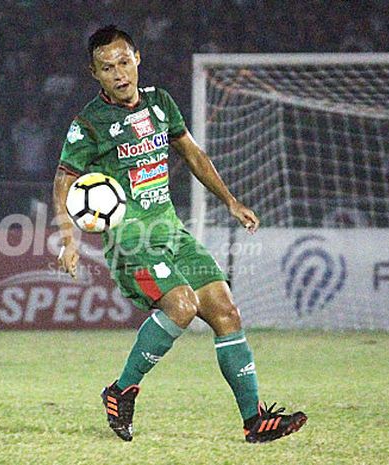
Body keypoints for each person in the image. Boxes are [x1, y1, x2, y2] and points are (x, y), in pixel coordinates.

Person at [53, 26, 307, 443]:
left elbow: (192, 153)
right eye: (106, 67)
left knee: (226, 311)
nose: (118, 73)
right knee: (183, 305)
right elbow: (64, 179)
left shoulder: (160, 104)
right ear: (94, 74)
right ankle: (122, 390)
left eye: (122, 62)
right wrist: (69, 239)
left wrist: (230, 201)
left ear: (138, 58)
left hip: (172, 232)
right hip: (130, 242)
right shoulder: (90, 123)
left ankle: (254, 419)